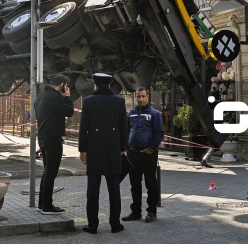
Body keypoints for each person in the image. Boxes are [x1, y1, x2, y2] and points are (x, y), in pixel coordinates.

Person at [78, 73, 128, 234]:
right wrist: (123, 148)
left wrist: (82, 150)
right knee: (114, 189)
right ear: (109, 84)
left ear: (95, 85)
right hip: (113, 149)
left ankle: (93, 225)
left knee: (93, 190)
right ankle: (115, 224)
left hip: (94, 149)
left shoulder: (88, 101)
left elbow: (83, 128)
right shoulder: (119, 101)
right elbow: (124, 127)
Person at [122, 86, 164, 223]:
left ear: (147, 97)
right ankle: (136, 212)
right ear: (135, 97)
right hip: (133, 154)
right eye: (138, 96)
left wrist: (151, 148)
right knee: (135, 184)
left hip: (148, 154)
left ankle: (151, 211)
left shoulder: (154, 113)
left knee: (150, 183)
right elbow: (127, 131)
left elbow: (159, 133)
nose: (140, 99)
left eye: (143, 96)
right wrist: (126, 148)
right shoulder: (131, 113)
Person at [36, 74, 74, 214]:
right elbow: (69, 112)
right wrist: (67, 97)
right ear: (63, 85)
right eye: (66, 86)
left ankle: (42, 204)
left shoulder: (40, 97)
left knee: (47, 172)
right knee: (51, 172)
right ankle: (47, 206)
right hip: (53, 139)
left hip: (43, 137)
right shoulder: (55, 97)